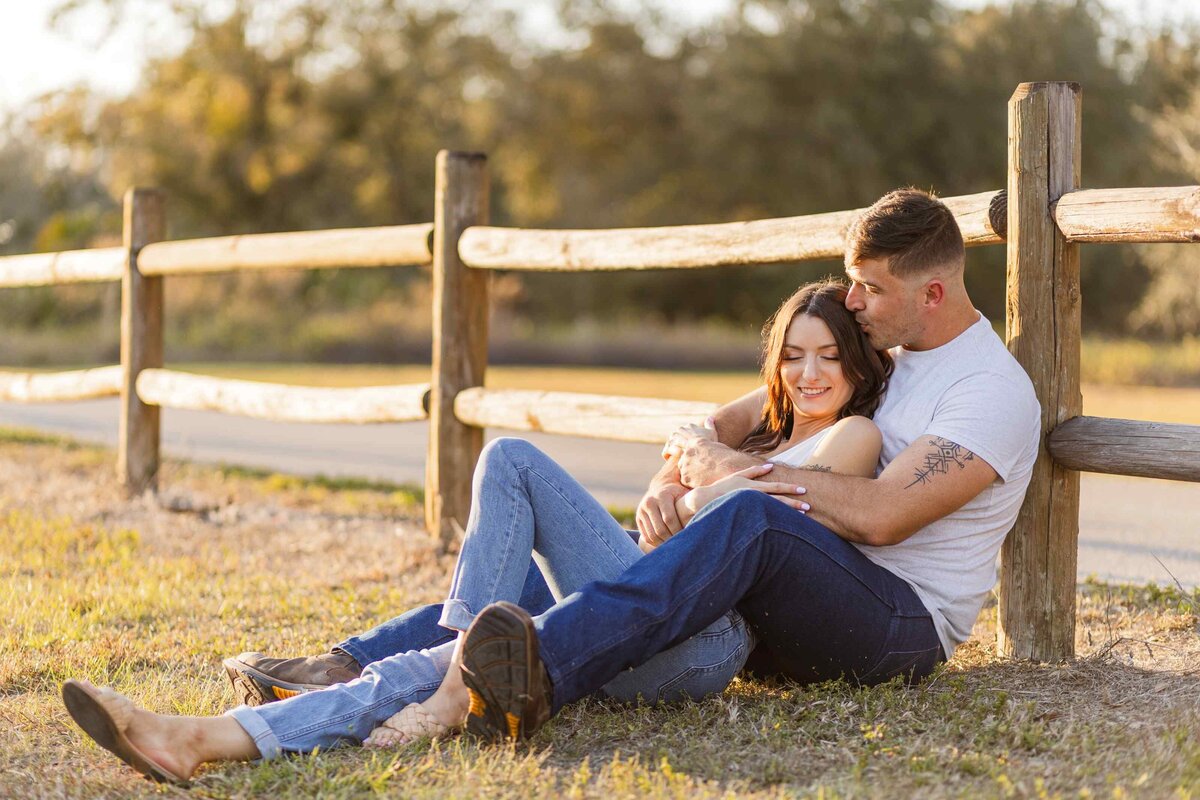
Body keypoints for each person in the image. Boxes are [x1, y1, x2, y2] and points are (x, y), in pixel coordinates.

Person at [61, 279, 891, 784]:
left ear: (856, 364)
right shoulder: (755, 431)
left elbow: (763, 512)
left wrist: (698, 477)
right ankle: (198, 739)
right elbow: (698, 460)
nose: (809, 372)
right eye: (793, 354)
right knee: (459, 628)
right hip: (640, 602)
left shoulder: (853, 438)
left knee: (514, 462)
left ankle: (450, 675)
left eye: (828, 355)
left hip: (704, 640)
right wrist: (671, 480)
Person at [450, 187, 1043, 741]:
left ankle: (536, 674)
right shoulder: (877, 348)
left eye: (870, 287)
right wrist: (669, 480)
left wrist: (722, 471)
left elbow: (885, 515)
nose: (852, 300)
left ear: (932, 294)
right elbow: (722, 424)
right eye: (851, 281)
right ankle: (407, 656)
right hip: (791, 599)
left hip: (897, 625)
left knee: (754, 517)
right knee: (600, 554)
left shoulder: (987, 389)